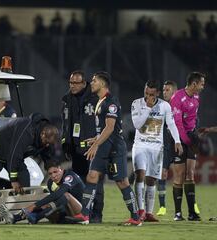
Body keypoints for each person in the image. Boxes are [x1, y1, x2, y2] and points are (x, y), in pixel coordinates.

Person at [73, 72, 141, 226]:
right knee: (92, 176)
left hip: (114, 148)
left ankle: (136, 217)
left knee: (122, 182)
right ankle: (84, 215)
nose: (91, 83)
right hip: (103, 145)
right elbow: (104, 128)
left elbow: (110, 128)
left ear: (103, 84)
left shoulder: (111, 102)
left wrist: (96, 144)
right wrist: (96, 139)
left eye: (94, 80)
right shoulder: (100, 101)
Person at [131, 81, 182, 222]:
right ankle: (140, 210)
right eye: (146, 93)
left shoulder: (165, 106)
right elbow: (137, 124)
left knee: (151, 180)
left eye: (152, 94)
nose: (148, 97)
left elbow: (171, 124)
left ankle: (148, 213)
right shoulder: (137, 103)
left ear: (158, 93)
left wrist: (177, 140)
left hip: (156, 148)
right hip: (140, 145)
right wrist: (147, 108)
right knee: (140, 175)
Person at [0, 113, 59, 193]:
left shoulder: (48, 136)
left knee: (24, 181)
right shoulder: (27, 131)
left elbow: (48, 155)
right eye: (46, 142)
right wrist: (14, 180)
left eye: (49, 143)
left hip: (13, 155)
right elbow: (14, 155)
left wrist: (52, 169)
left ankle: (22, 205)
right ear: (43, 134)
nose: (47, 145)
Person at [61, 70, 104, 223]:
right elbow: (65, 124)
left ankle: (96, 215)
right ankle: (82, 213)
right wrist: (65, 143)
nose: (72, 86)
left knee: (95, 182)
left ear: (84, 83)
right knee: (78, 183)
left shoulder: (95, 98)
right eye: (70, 82)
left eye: (75, 83)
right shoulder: (67, 99)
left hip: (93, 147)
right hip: (76, 148)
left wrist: (100, 143)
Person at [0, 160, 85, 224]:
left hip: (82, 212)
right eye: (50, 174)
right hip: (66, 213)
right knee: (48, 205)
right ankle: (15, 218)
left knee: (65, 195)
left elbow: (59, 194)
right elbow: (56, 201)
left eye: (55, 172)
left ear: (61, 169)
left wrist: (34, 206)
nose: (53, 176)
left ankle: (35, 217)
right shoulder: (50, 183)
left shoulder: (70, 176)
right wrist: (44, 207)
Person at [170, 72, 205, 221]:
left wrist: (195, 136)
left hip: (190, 137)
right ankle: (178, 214)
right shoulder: (177, 98)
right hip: (178, 139)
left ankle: (192, 213)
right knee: (179, 175)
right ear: (194, 84)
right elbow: (177, 123)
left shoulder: (196, 98)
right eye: (202, 83)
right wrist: (186, 141)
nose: (203, 86)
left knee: (190, 174)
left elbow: (193, 119)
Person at [156, 81, 178, 216]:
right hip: (164, 146)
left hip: (177, 145)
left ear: (174, 92)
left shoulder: (179, 107)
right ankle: (162, 206)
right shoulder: (160, 107)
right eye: (163, 90)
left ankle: (186, 208)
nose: (164, 92)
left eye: (167, 90)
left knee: (181, 176)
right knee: (162, 175)